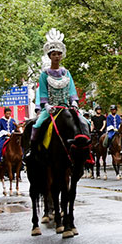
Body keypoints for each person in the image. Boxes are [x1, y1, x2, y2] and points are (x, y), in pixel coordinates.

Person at [25, 29, 88, 160]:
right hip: (50, 109)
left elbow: (72, 91)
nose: (57, 56)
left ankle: (86, 153)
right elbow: (42, 94)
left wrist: (74, 102)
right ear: (49, 56)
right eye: (54, 54)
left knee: (85, 122)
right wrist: (47, 106)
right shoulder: (44, 75)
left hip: (66, 107)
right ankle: (33, 151)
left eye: (59, 54)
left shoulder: (67, 73)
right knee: (37, 125)